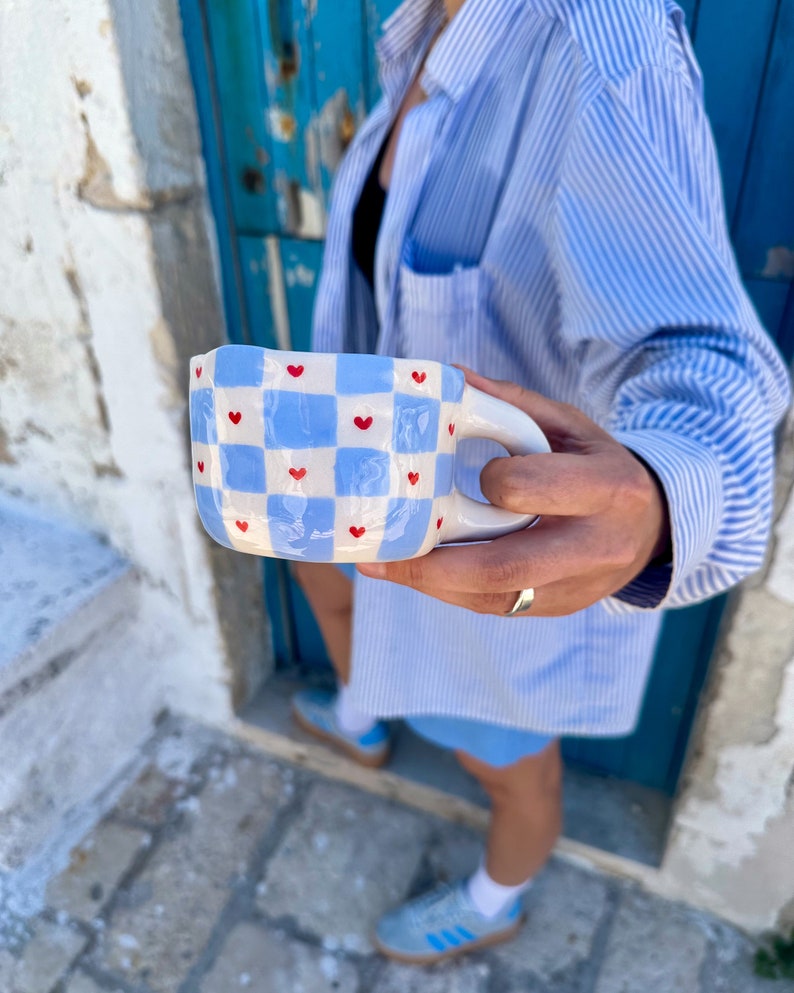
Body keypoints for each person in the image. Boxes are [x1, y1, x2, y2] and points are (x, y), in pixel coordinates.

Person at [290, 0, 790, 965]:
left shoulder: (607, 39)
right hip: (362, 476)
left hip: (489, 552)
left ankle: (496, 896)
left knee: (508, 764)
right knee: (326, 583)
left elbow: (696, 352)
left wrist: (659, 498)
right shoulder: (420, 23)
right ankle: (360, 715)